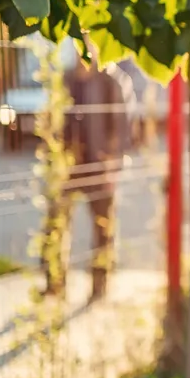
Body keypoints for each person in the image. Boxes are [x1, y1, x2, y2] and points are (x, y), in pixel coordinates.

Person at [43, 53, 133, 303]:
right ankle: (54, 283)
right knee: (56, 224)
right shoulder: (66, 78)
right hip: (68, 164)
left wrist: (112, 165)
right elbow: (52, 118)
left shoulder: (111, 80)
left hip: (99, 165)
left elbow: (122, 126)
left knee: (102, 227)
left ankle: (100, 285)